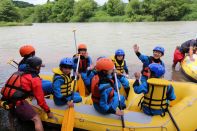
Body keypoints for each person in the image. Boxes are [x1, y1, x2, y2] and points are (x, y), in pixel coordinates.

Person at [1, 56, 54, 131]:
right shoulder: (35, 79)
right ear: (37, 67)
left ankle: (12, 125)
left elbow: (17, 87)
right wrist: (48, 111)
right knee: (37, 119)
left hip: (4, 100)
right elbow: (40, 100)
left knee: (12, 113)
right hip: (17, 104)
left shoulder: (16, 73)